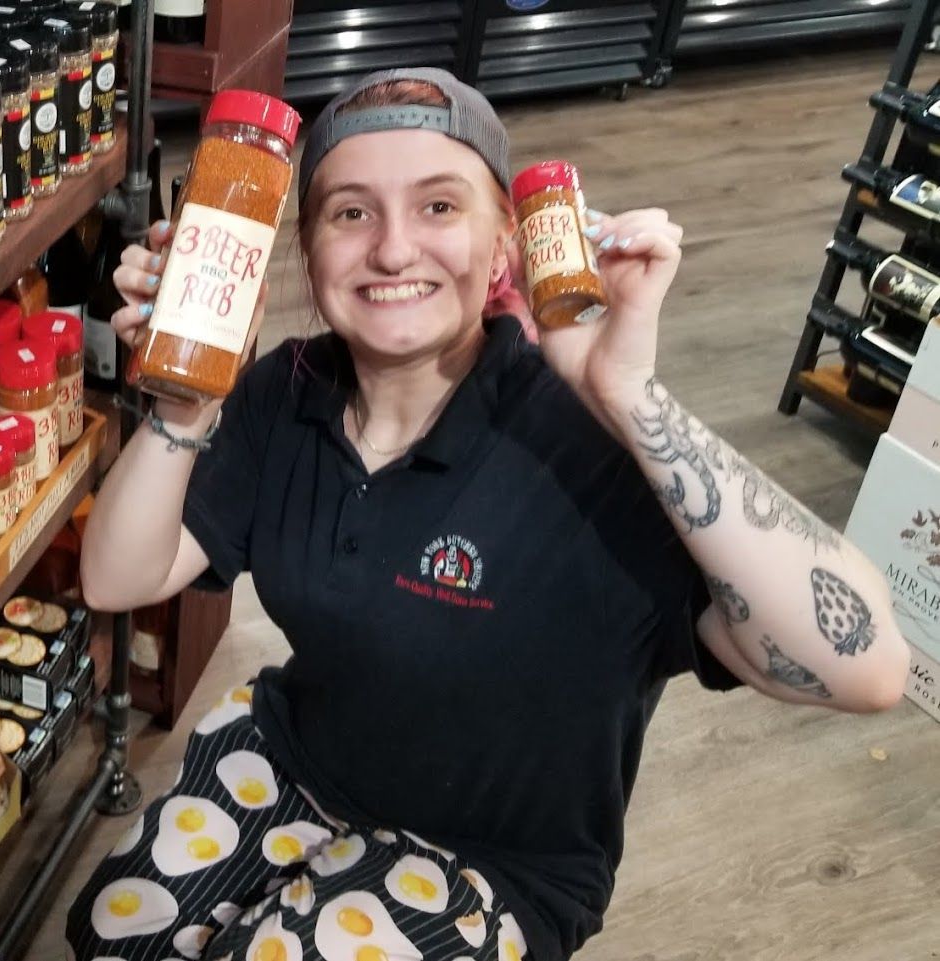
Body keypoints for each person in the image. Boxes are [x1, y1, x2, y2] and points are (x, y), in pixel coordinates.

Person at [66, 67, 910, 961]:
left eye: (438, 207)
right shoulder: (288, 392)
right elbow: (117, 578)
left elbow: (866, 672)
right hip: (301, 762)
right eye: (350, 213)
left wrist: (625, 394)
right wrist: (183, 405)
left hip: (493, 859)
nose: (393, 251)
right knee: (111, 932)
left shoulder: (585, 443)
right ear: (307, 249)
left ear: (504, 240)